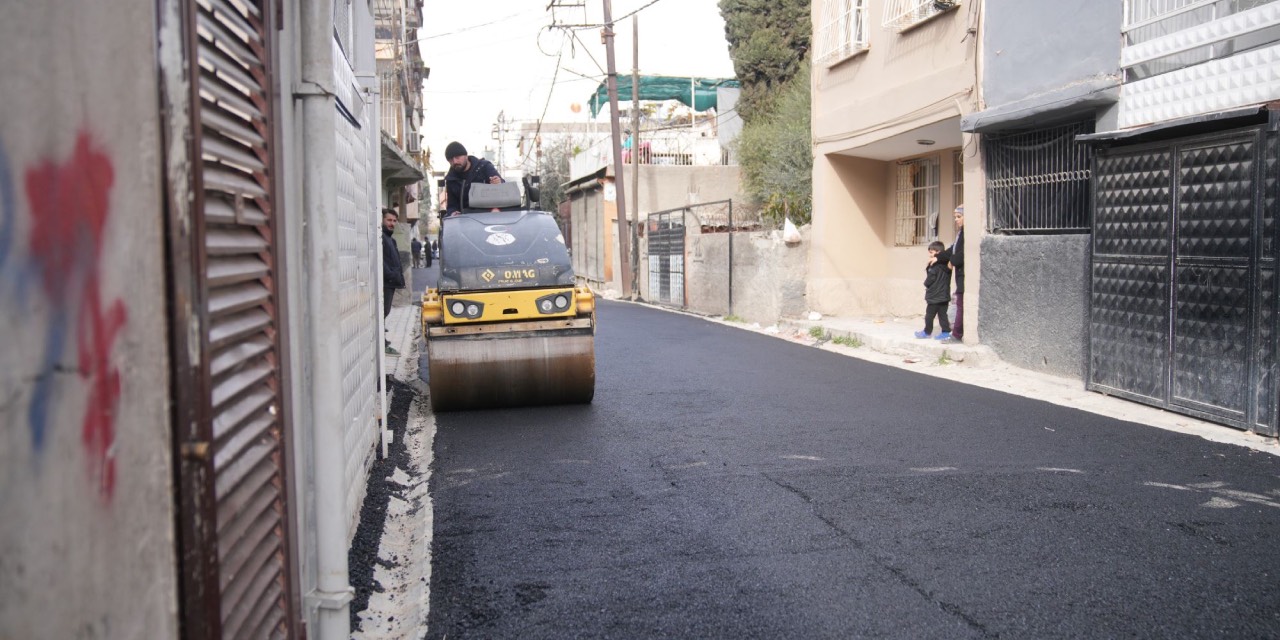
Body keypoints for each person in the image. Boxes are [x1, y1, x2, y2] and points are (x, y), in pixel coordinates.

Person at [443, 141, 502, 216]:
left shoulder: (484, 167)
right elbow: (452, 205)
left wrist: (497, 182)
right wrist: (453, 212)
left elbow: (502, 186)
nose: (455, 162)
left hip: (489, 215)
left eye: (457, 158)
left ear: (466, 156)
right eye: (451, 160)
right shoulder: (451, 179)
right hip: (466, 219)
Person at [915, 240, 952, 340]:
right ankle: (945, 332)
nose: (930, 255)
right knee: (943, 315)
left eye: (931, 252)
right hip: (944, 295)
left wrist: (926, 283)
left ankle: (927, 332)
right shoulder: (947, 265)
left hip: (935, 296)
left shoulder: (934, 266)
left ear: (938, 253)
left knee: (929, 315)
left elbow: (930, 279)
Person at [939, 204, 965, 342]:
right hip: (960, 275)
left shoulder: (967, 234)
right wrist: (937, 258)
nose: (956, 220)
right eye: (955, 217)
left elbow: (963, 253)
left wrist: (953, 261)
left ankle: (956, 335)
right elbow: (952, 250)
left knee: (961, 304)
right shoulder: (960, 234)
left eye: (959, 217)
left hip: (965, 276)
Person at [381, 208, 405, 355]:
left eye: (394, 221)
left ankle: (383, 342)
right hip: (386, 282)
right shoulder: (382, 238)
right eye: (389, 220)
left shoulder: (390, 239)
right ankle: (382, 345)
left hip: (391, 281)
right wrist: (390, 274)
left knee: (386, 312)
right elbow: (382, 261)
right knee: (382, 312)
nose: (392, 223)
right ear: (382, 220)